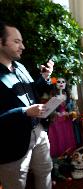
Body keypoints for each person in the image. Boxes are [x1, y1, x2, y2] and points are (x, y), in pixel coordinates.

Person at [0, 20, 54, 189]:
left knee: (45, 171)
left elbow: (33, 92)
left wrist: (44, 77)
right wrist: (24, 111)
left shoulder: (20, 67)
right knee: (15, 184)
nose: (22, 46)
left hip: (38, 131)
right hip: (11, 142)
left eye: (21, 41)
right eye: (16, 41)